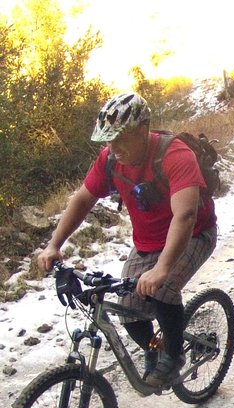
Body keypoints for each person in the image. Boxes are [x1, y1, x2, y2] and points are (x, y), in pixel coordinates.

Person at [37, 92, 217, 388]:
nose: (113, 147)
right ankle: (155, 348)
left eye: (121, 139)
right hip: (147, 242)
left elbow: (184, 217)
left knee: (163, 289)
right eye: (109, 140)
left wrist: (162, 269)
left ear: (143, 130)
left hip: (194, 234)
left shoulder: (175, 155)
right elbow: (83, 199)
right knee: (129, 308)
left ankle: (173, 356)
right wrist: (54, 244)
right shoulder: (110, 160)